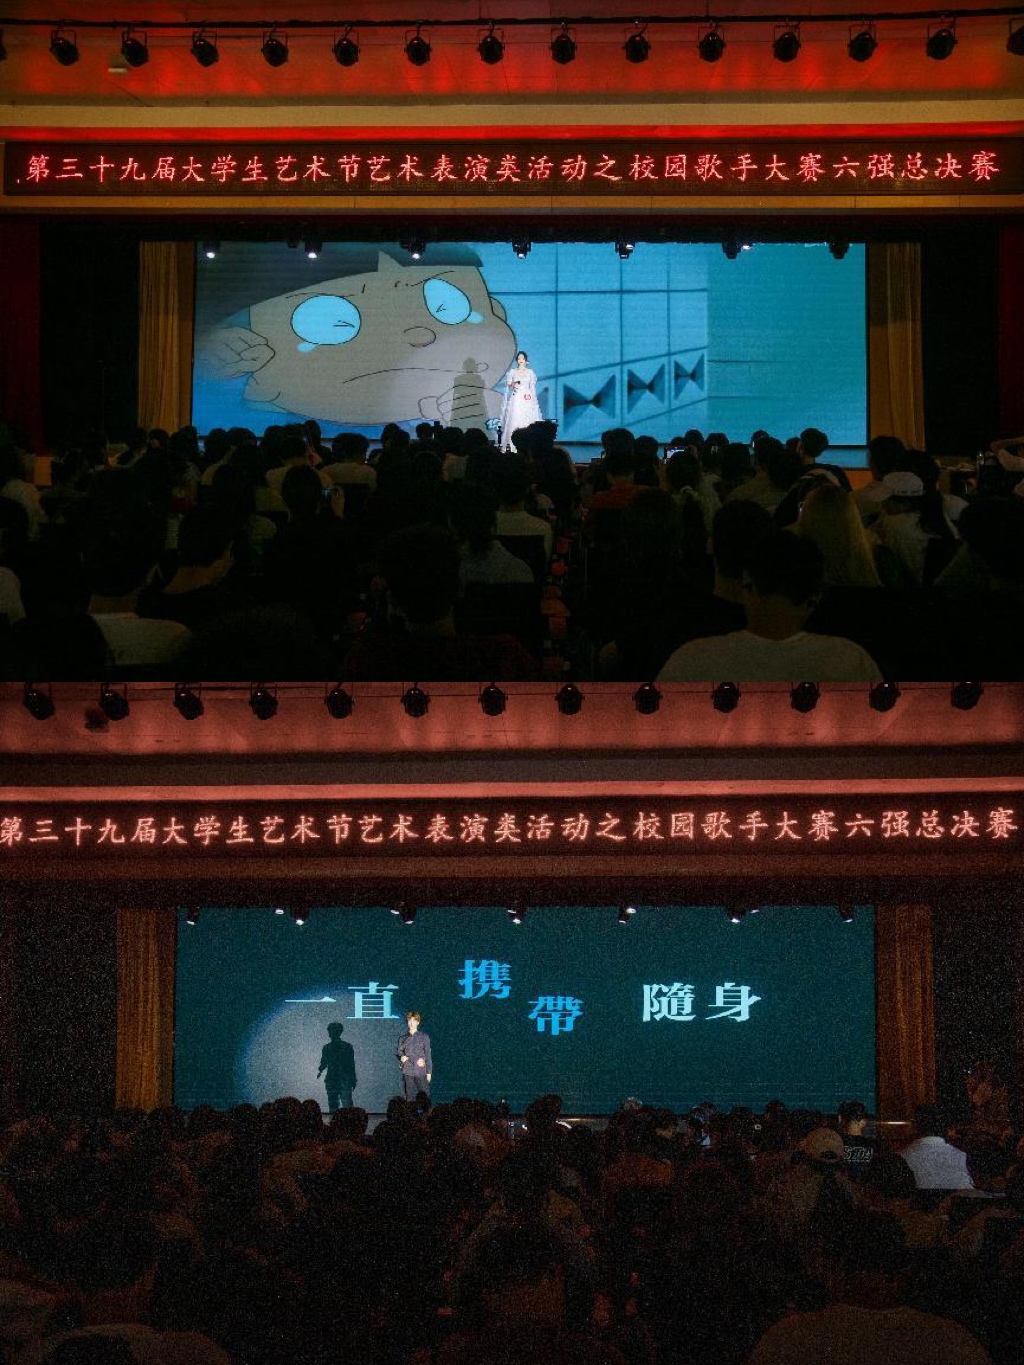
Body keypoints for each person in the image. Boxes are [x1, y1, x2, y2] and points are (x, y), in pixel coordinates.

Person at [499, 351, 542, 452]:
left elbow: (532, 387)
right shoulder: (513, 371)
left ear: (526, 360)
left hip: (527, 397)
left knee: (527, 418)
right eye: (519, 358)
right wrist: (513, 384)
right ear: (517, 360)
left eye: (522, 358)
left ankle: (528, 443)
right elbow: (509, 384)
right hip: (516, 397)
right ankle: (513, 444)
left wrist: (532, 398)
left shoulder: (530, 372)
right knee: (515, 417)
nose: (520, 360)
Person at [317, 1021, 357, 1113]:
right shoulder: (346, 1046)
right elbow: (351, 1064)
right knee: (341, 1105)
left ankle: (339, 1120)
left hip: (338, 1079)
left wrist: (320, 1070)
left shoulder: (329, 1047)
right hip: (338, 1079)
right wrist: (353, 1079)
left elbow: (351, 1064)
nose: (329, 1033)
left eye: (330, 1031)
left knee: (339, 1105)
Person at [396, 1010, 432, 1102]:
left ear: (418, 1022)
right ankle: (410, 1111)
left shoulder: (424, 1037)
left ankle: (426, 1111)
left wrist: (429, 1072)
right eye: (410, 1021)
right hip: (407, 1070)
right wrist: (402, 1057)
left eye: (414, 1021)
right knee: (409, 1097)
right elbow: (399, 1052)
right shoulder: (402, 1038)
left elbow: (428, 1055)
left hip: (420, 1070)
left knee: (425, 1096)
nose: (411, 1023)